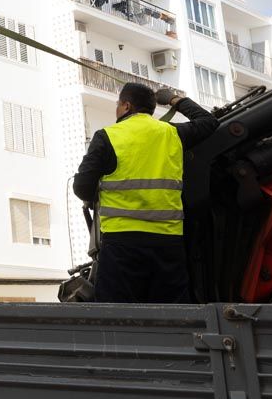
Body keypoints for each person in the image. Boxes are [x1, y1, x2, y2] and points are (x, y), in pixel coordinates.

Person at [73, 82, 218, 303]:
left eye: (118, 104)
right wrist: (174, 100)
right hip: (168, 243)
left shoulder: (107, 136)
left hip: (122, 243)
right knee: (173, 315)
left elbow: (81, 187)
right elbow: (209, 122)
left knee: (118, 316)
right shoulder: (172, 134)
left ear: (126, 106)